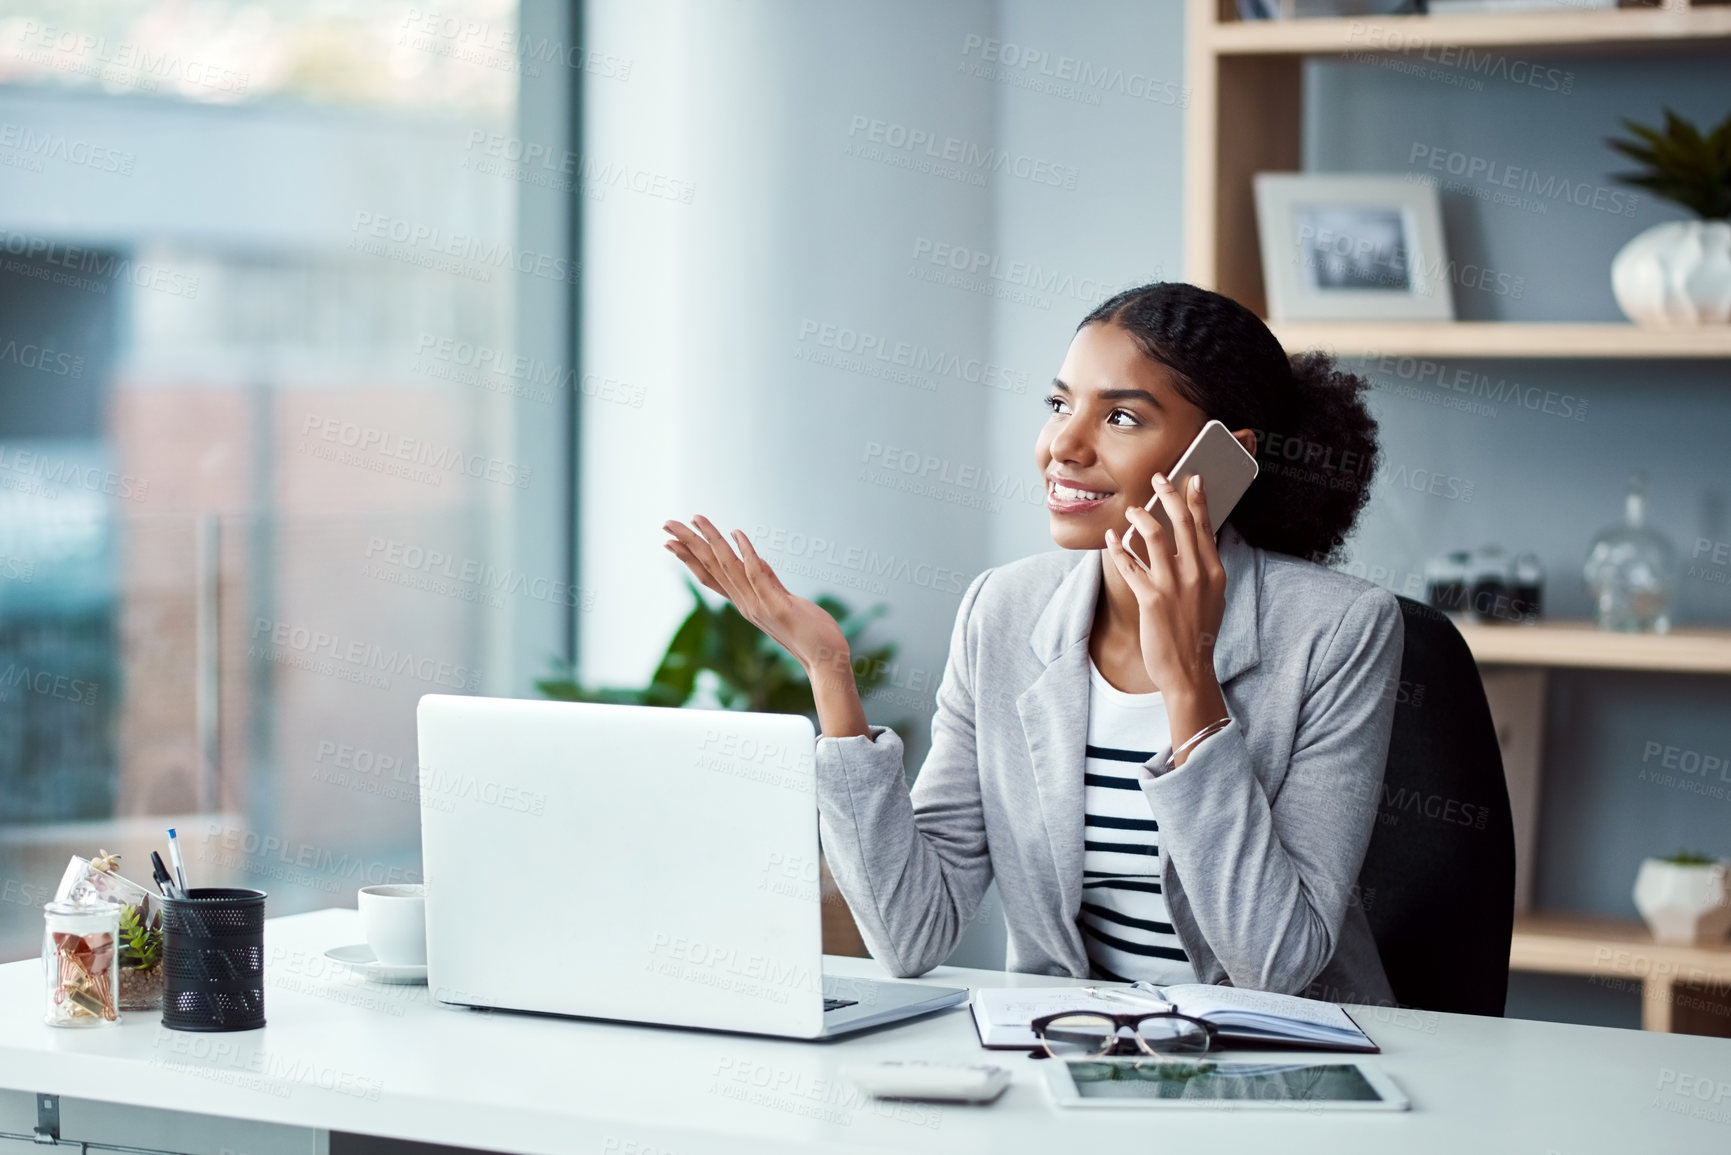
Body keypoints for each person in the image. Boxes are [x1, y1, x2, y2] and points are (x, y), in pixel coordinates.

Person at [663, 282, 1401, 1004]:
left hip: (1282, 1075)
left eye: (1119, 417)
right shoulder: (1004, 611)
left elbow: (1273, 963)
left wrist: (1188, 681)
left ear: (1222, 462)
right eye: (1058, 405)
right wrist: (829, 674)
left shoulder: (1338, 630)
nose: (1063, 446)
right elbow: (909, 931)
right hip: (1074, 1055)